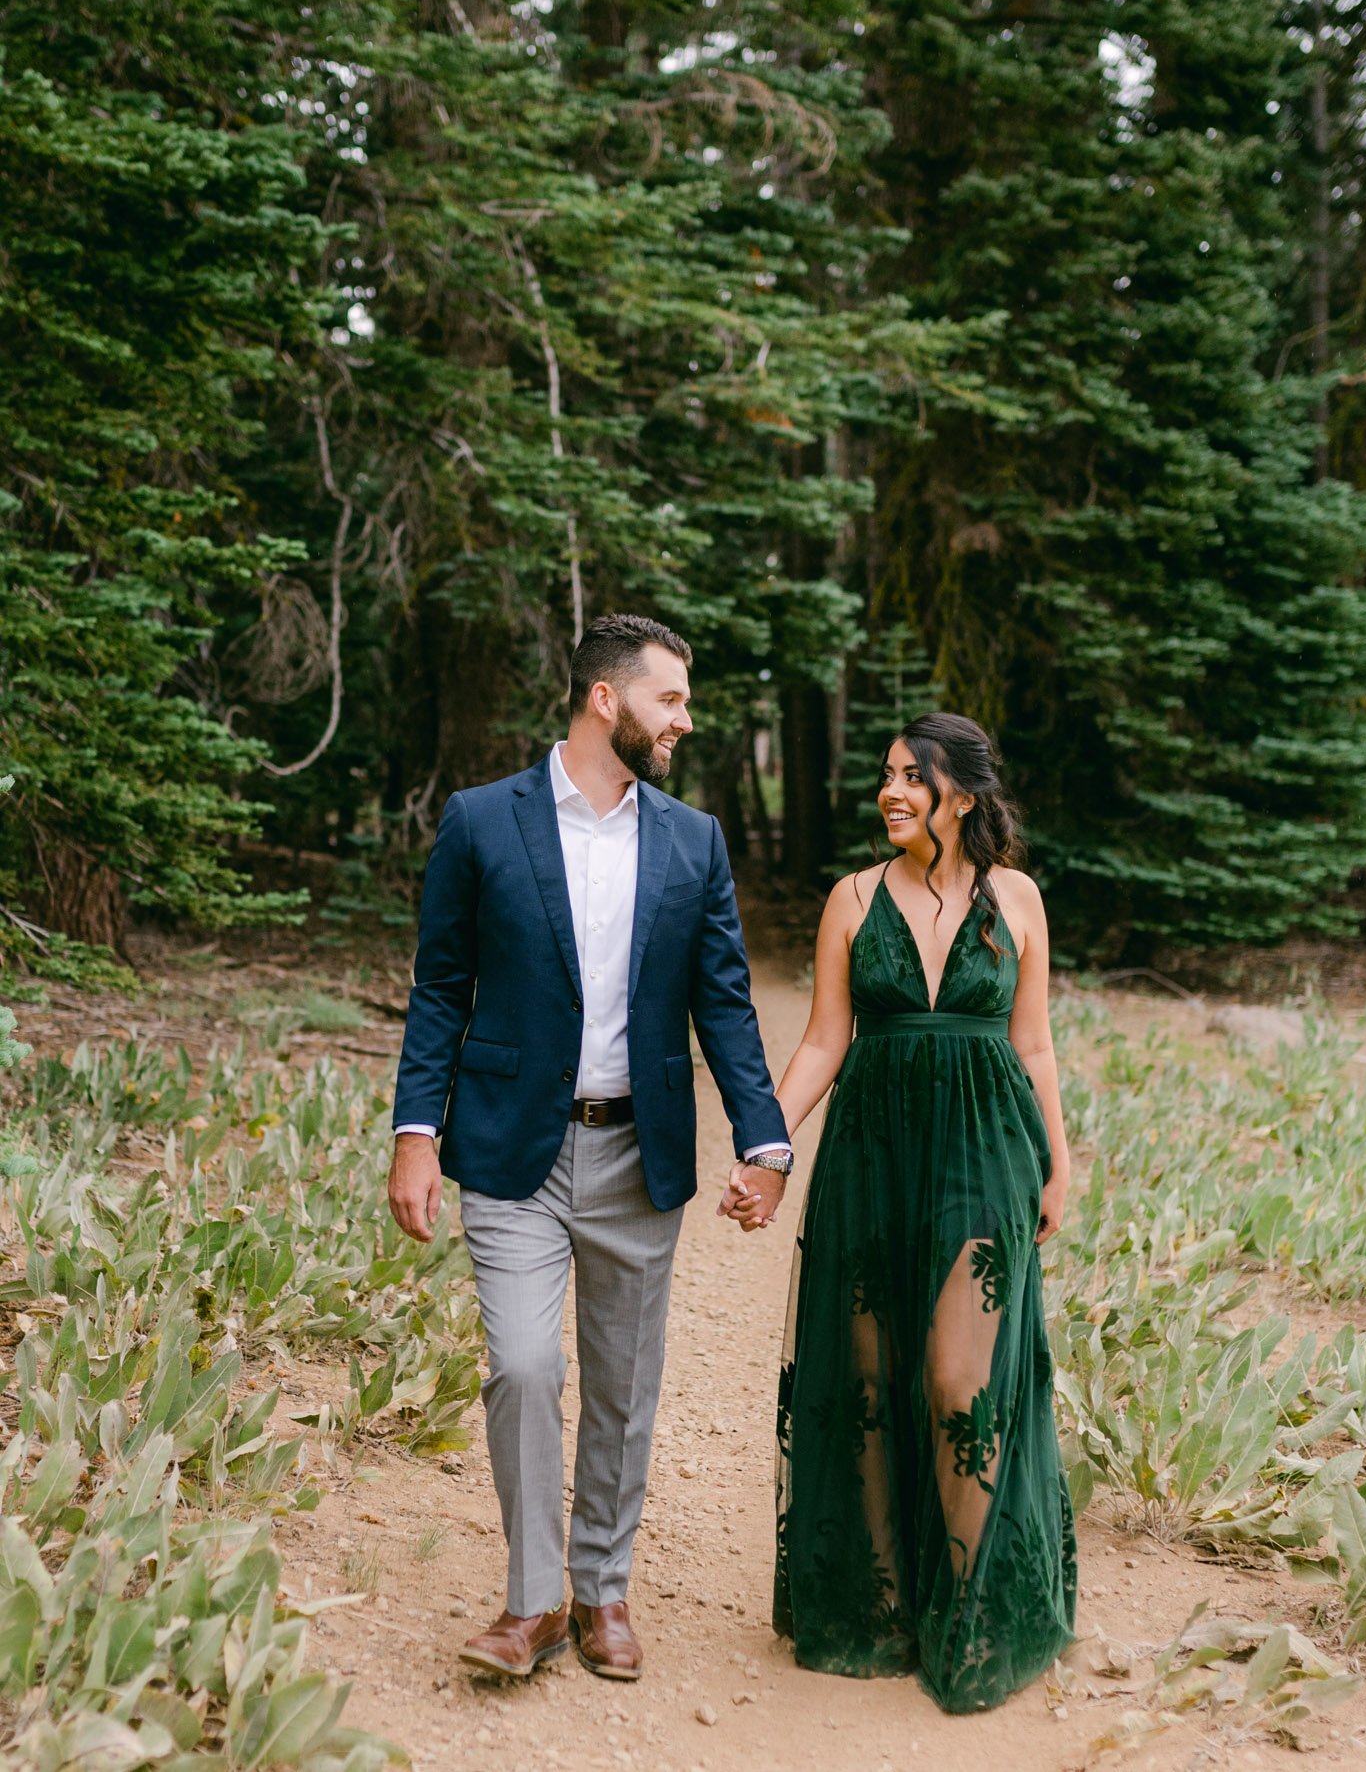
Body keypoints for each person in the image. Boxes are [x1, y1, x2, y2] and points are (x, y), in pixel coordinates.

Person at [388, 612, 790, 1684]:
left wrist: (765, 1140)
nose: (684, 720)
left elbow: (726, 1003)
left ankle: (601, 1588)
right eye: (671, 700)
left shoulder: (692, 839)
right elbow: (439, 990)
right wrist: (415, 1134)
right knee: (522, 1364)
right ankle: (531, 1603)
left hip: (638, 1153)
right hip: (514, 1148)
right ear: (606, 699)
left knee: (622, 1383)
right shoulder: (482, 822)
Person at [723, 712, 1076, 1713]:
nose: (891, 792)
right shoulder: (850, 899)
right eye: (886, 775)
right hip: (872, 1154)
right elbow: (825, 1042)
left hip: (984, 1153)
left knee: (963, 1384)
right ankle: (879, 1611)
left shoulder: (1016, 900)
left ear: (960, 794)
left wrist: (1059, 1160)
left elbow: (1035, 1044)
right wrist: (767, 1144)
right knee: (872, 1388)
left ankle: (970, 1613)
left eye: (912, 777)